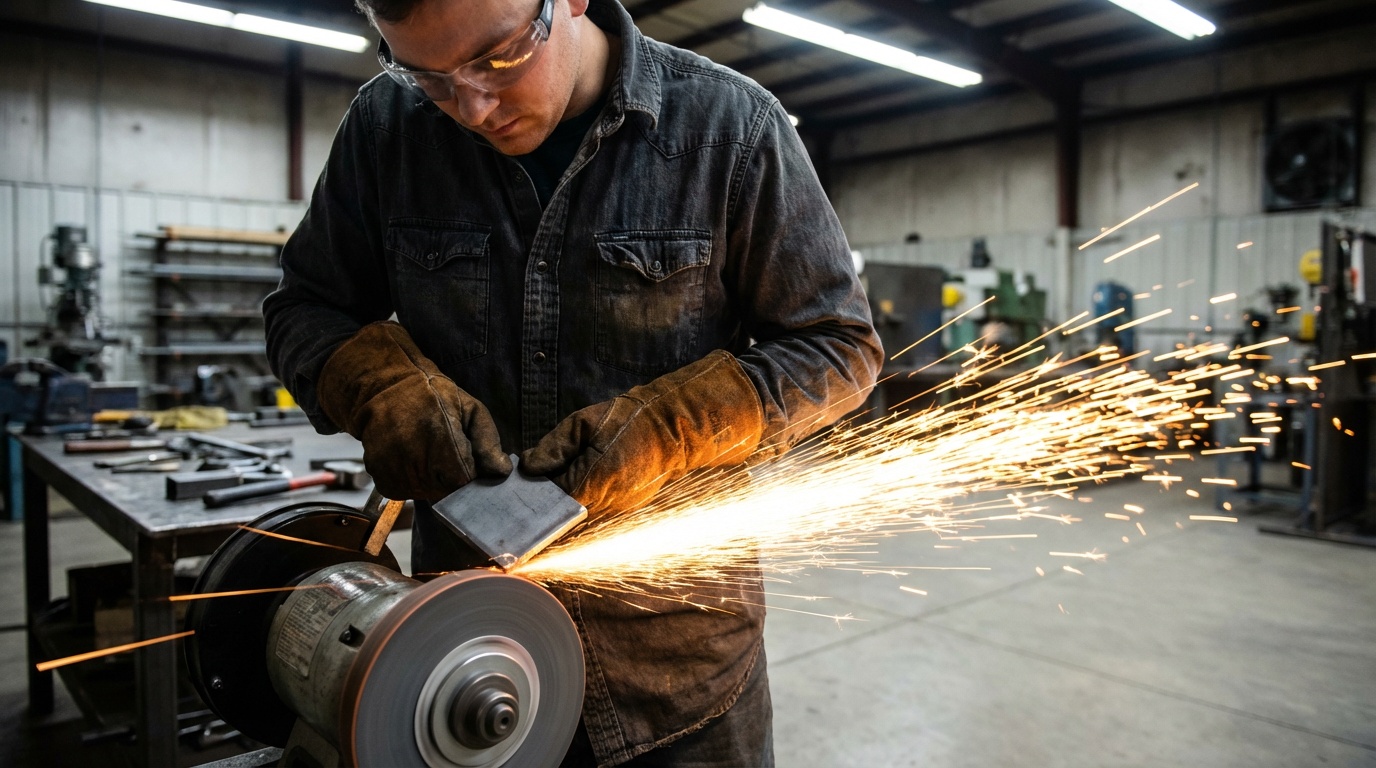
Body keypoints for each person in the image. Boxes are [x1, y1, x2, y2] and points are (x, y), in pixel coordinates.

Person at [262, 0, 882, 763]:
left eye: (497, 59)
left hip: (677, 667)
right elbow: (304, 309)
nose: (473, 107)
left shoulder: (732, 126)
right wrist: (376, 386)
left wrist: (670, 427)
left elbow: (838, 346)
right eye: (428, 75)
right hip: (457, 657)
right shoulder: (386, 127)